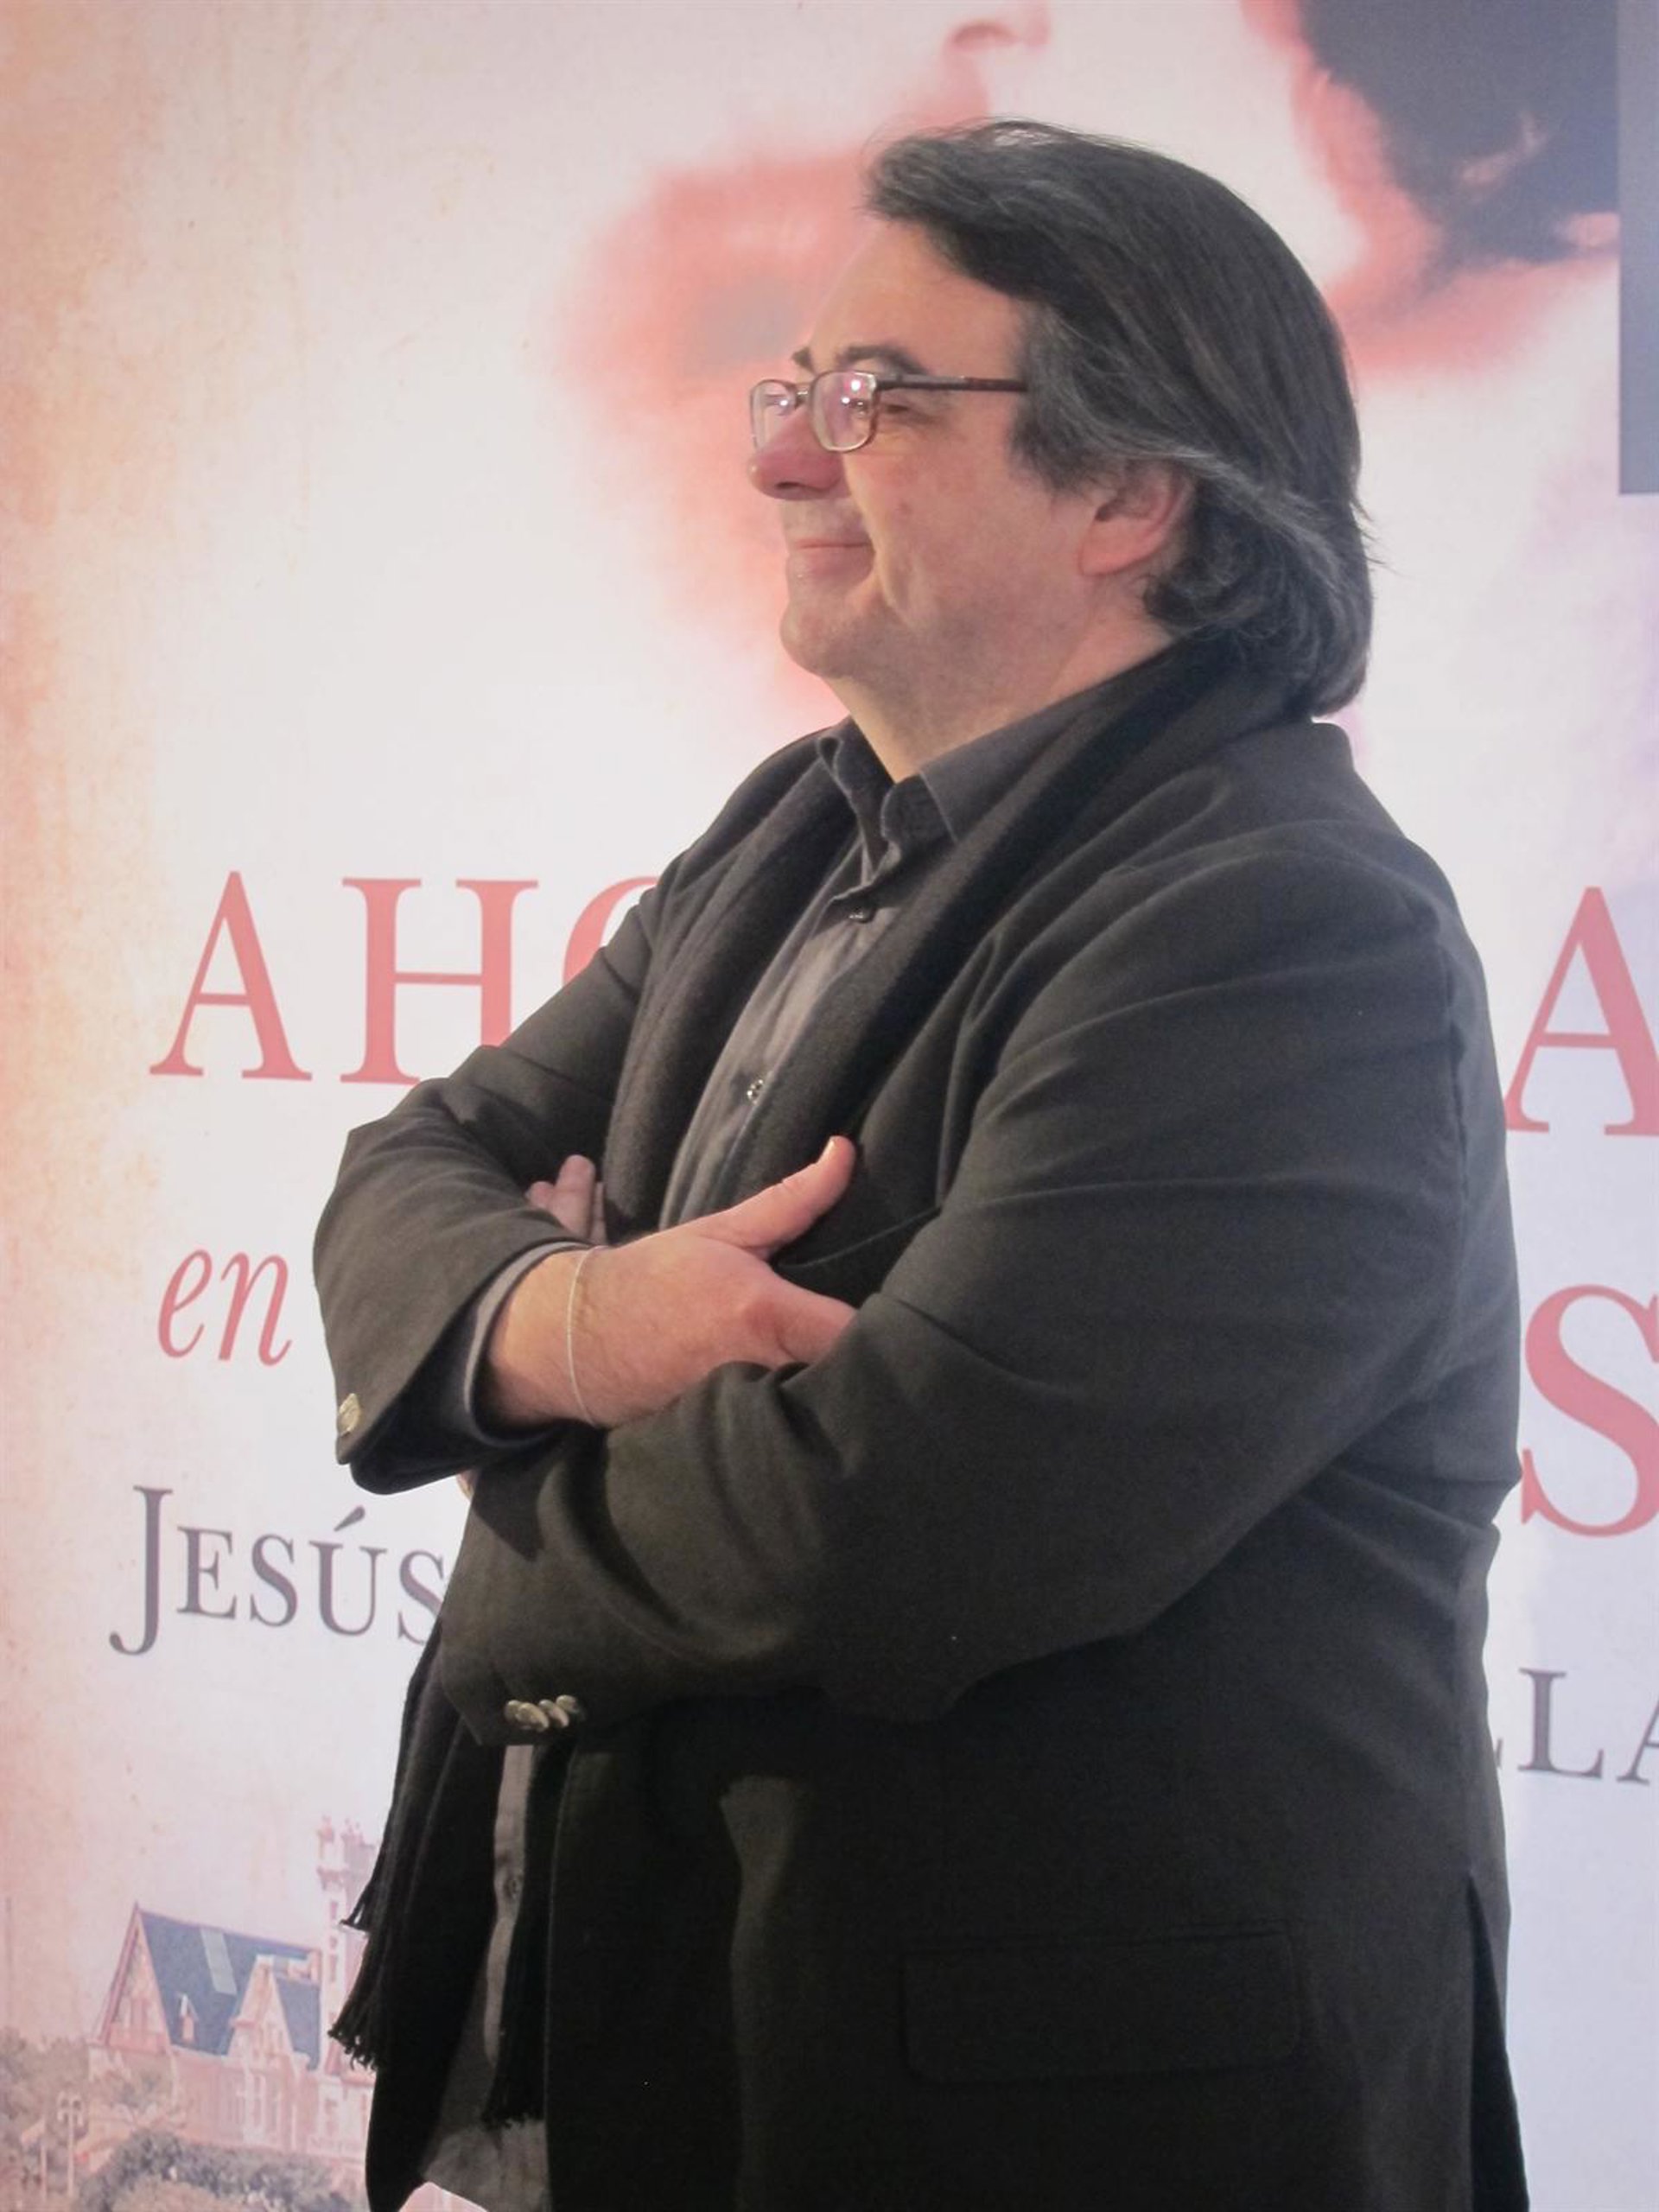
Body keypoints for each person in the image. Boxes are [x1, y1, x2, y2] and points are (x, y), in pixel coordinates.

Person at [315, 119, 1527, 2212]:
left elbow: (886, 1522)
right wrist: (577, 1322)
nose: (789, 459)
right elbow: (414, 1166)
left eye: (872, 397)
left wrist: (496, 1501)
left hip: (1074, 2123)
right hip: (716, 2049)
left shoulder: (1283, 925)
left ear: (1130, 492)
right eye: (791, 391)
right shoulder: (792, 823)